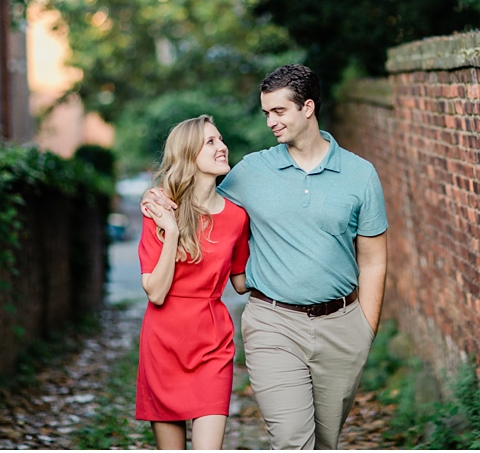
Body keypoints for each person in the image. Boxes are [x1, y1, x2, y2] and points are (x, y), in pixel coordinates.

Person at [143, 64, 388, 449]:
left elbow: (374, 258)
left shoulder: (360, 174)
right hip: (273, 322)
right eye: (266, 113)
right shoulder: (253, 170)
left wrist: (365, 329)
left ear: (307, 108)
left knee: (324, 441)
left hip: (342, 326)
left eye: (279, 111)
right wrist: (156, 197)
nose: (270, 122)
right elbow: (199, 194)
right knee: (292, 439)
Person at [135, 115, 250, 450]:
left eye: (221, 139)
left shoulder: (237, 216)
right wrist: (171, 231)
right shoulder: (159, 207)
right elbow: (155, 292)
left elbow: (241, 282)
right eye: (210, 142)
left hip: (212, 345)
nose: (222, 147)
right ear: (188, 154)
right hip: (163, 344)